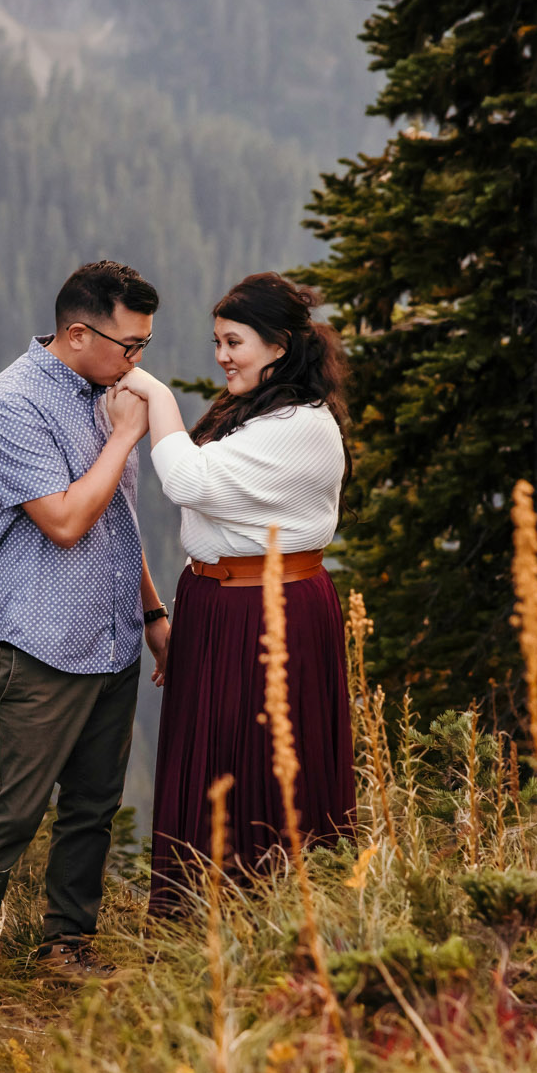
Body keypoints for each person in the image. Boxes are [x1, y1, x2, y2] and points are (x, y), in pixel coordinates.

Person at [0, 259, 173, 979]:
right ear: (78, 334)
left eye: (143, 346)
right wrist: (122, 440)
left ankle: (65, 947)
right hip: (41, 643)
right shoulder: (12, 403)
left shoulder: (101, 391)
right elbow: (67, 522)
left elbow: (119, 517)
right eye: (128, 346)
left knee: (92, 806)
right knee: (12, 812)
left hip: (112, 640)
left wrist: (151, 612)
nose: (136, 362)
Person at [116, 271, 355, 918]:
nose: (221, 356)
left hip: (267, 609)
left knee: (259, 756)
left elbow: (189, 482)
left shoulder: (302, 426)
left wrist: (149, 389)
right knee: (221, 752)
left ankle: (262, 913)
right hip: (225, 606)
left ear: (277, 346)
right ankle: (201, 915)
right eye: (217, 341)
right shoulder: (263, 413)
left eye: (234, 342)